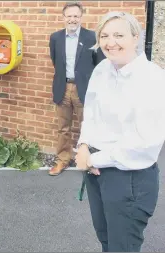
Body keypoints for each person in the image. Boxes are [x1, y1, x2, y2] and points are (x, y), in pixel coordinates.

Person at [75, 11, 165, 252]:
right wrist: (84, 145)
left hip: (129, 178)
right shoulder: (102, 69)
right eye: (104, 35)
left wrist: (92, 158)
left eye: (118, 35)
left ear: (135, 37)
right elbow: (91, 114)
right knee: (106, 241)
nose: (110, 42)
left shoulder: (153, 78)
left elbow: (146, 143)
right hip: (96, 173)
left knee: (122, 247)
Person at [48, 2, 104, 176]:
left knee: (86, 126)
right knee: (63, 127)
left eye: (76, 16)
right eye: (69, 16)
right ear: (63, 17)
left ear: (81, 17)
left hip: (84, 89)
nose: (72, 19)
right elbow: (55, 60)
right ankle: (63, 160)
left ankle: (88, 161)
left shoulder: (91, 37)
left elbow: (100, 64)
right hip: (63, 87)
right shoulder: (55, 37)